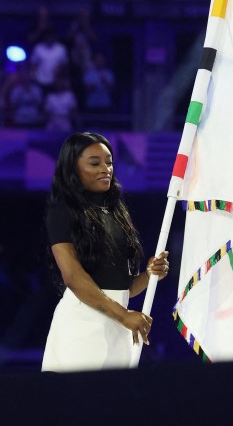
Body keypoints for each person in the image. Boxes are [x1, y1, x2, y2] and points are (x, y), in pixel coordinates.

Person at [42, 133, 169, 372]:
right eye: (94, 163)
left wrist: (150, 275)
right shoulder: (62, 211)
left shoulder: (115, 211)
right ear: (73, 168)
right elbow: (73, 277)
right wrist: (123, 315)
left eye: (109, 162)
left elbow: (124, 287)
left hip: (119, 326)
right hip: (83, 326)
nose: (105, 168)